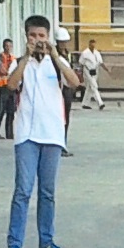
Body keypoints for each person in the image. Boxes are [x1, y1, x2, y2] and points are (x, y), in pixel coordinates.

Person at [3, 15, 81, 248]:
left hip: (52, 134)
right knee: (23, 190)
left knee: (47, 192)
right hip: (26, 133)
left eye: (42, 36)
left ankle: (46, 240)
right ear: (26, 38)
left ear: (48, 38)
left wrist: (55, 56)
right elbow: (11, 85)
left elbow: (75, 82)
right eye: (33, 36)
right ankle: (15, 243)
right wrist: (26, 58)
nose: (38, 41)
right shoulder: (19, 62)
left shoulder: (56, 63)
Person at [0, 38, 16, 139]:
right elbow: (2, 70)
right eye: (6, 46)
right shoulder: (1, 57)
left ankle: (9, 134)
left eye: (10, 46)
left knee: (11, 111)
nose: (8, 48)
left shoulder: (13, 58)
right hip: (3, 86)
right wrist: (10, 72)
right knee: (1, 109)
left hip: (11, 86)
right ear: (3, 46)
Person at [56, 27, 76, 155]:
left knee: (66, 118)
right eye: (61, 42)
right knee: (60, 118)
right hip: (59, 89)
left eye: (65, 41)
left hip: (67, 89)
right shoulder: (55, 56)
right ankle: (59, 145)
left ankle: (63, 143)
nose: (64, 44)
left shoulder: (67, 54)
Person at [78, 38, 107, 109]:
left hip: (95, 71)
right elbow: (81, 63)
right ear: (89, 44)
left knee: (89, 88)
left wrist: (107, 69)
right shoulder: (85, 53)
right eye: (91, 43)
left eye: (94, 43)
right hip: (87, 71)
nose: (93, 45)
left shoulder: (97, 53)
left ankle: (85, 103)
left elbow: (101, 62)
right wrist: (81, 73)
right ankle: (100, 103)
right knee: (94, 86)